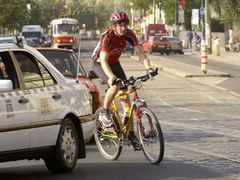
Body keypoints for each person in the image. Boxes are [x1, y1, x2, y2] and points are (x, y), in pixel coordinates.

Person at [91, 10, 157, 148]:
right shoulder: (107, 37)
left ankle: (131, 134)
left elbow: (140, 52)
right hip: (99, 63)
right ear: (114, 26)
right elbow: (103, 60)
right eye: (120, 25)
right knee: (115, 86)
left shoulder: (129, 34)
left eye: (125, 25)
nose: (123, 28)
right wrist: (111, 77)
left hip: (114, 63)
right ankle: (104, 112)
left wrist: (149, 68)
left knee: (126, 99)